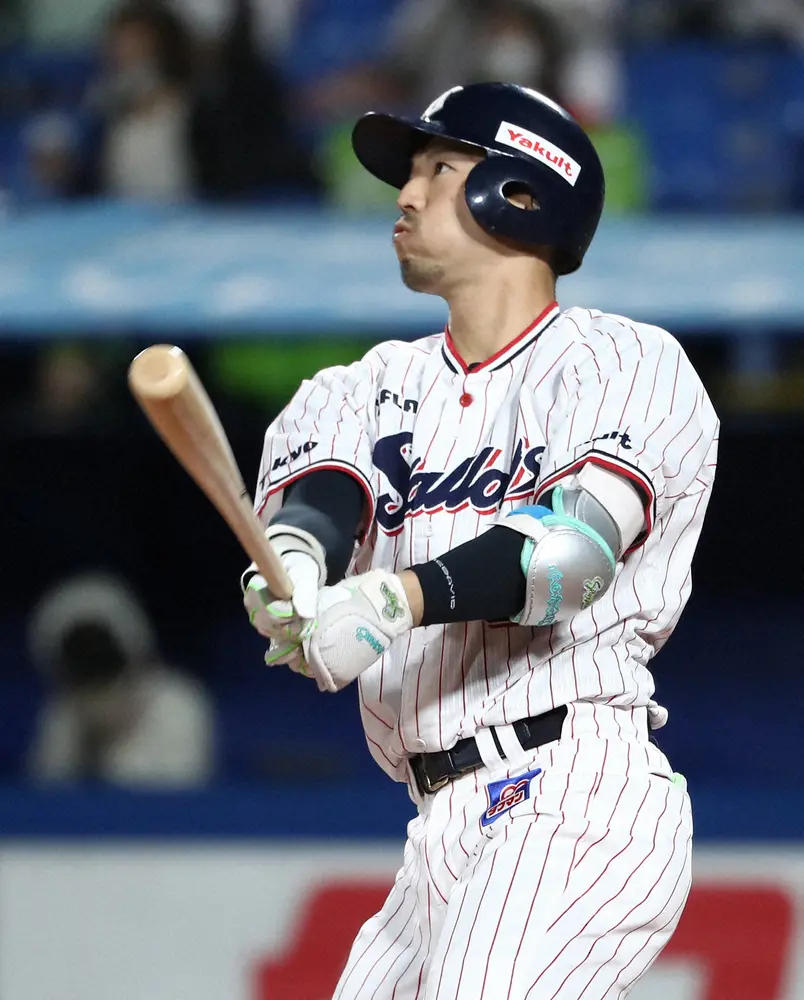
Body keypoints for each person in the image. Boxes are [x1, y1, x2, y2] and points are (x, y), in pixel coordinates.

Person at [242, 83, 718, 998]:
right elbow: (320, 506)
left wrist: (390, 599)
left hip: (571, 789)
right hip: (438, 822)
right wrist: (293, 579)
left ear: (522, 192)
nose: (405, 194)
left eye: (439, 168)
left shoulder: (621, 361)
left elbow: (567, 559)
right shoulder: (362, 386)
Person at [28, 572, 214, 786]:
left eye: (103, 656)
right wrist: (86, 741)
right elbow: (46, 793)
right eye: (81, 661)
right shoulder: (62, 715)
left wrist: (114, 742)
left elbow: (179, 793)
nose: (95, 670)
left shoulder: (179, 704)